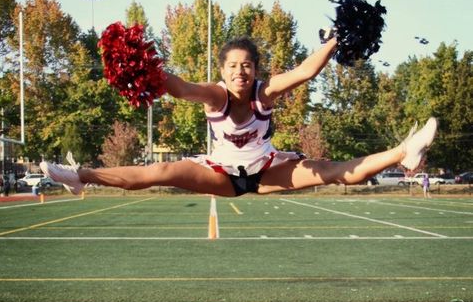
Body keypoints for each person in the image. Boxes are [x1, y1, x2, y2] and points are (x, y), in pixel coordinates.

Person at [40, 36, 438, 198]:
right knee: (160, 173)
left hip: (265, 170)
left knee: (331, 169)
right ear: (223, 70)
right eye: (232, 66)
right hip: (220, 173)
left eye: (246, 65)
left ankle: (404, 151)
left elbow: (305, 72)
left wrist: (334, 40)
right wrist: (144, 68)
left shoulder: (266, 93)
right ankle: (82, 177)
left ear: (256, 68)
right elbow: (179, 88)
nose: (239, 72)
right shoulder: (216, 96)